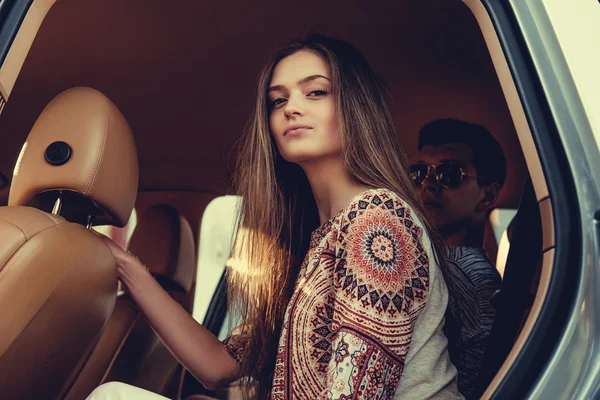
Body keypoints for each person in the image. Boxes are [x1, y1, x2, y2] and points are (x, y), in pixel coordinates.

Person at [88, 35, 462, 400]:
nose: (291, 108)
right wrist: (124, 263)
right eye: (277, 100)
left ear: (356, 107)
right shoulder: (313, 242)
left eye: (315, 92)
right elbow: (218, 365)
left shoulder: (377, 220)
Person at [409, 118, 505, 398]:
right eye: (419, 173)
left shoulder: (462, 272)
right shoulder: (436, 264)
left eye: (449, 174)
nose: (428, 185)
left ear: (487, 197)